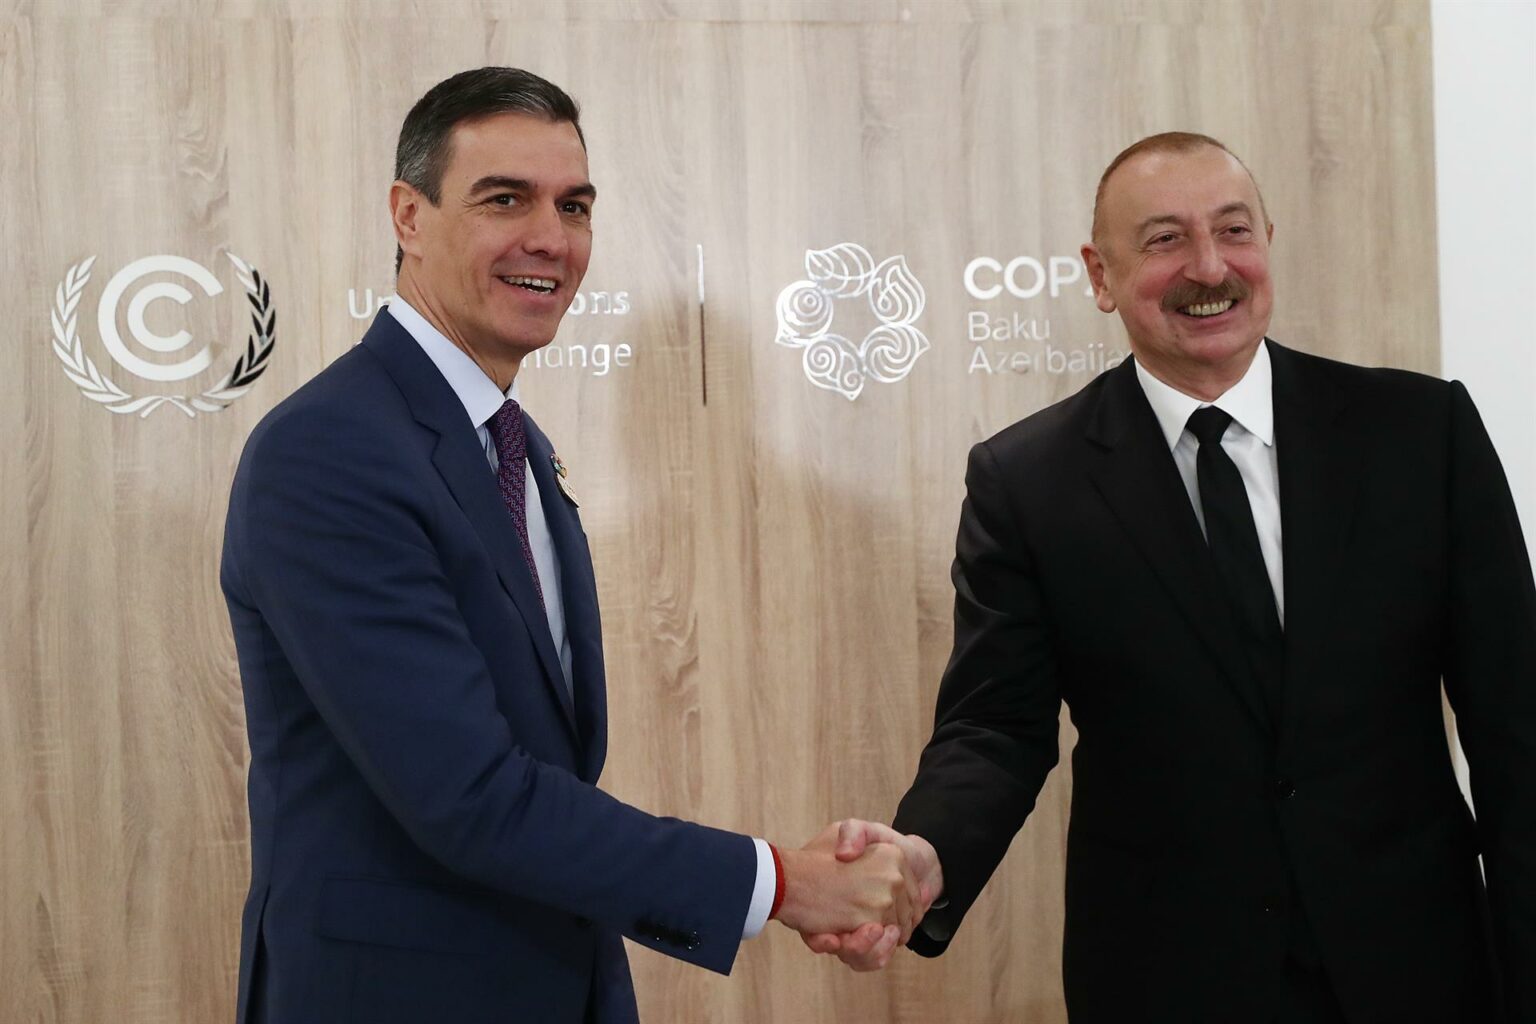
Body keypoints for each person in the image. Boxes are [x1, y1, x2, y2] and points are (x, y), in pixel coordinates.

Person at [221, 67, 922, 1024]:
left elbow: (543, 774)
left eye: (574, 206)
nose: (551, 238)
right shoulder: (331, 449)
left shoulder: (511, 444)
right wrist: (785, 883)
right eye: (505, 199)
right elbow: (470, 796)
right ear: (409, 216)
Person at [812, 133, 1535, 1022]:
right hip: (1167, 976)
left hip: (1420, 965)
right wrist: (927, 853)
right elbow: (996, 728)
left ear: (1266, 242)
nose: (1209, 267)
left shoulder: (1422, 433)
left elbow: (1515, 724)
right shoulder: (1028, 481)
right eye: (1164, 240)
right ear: (1101, 273)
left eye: (1233, 231)